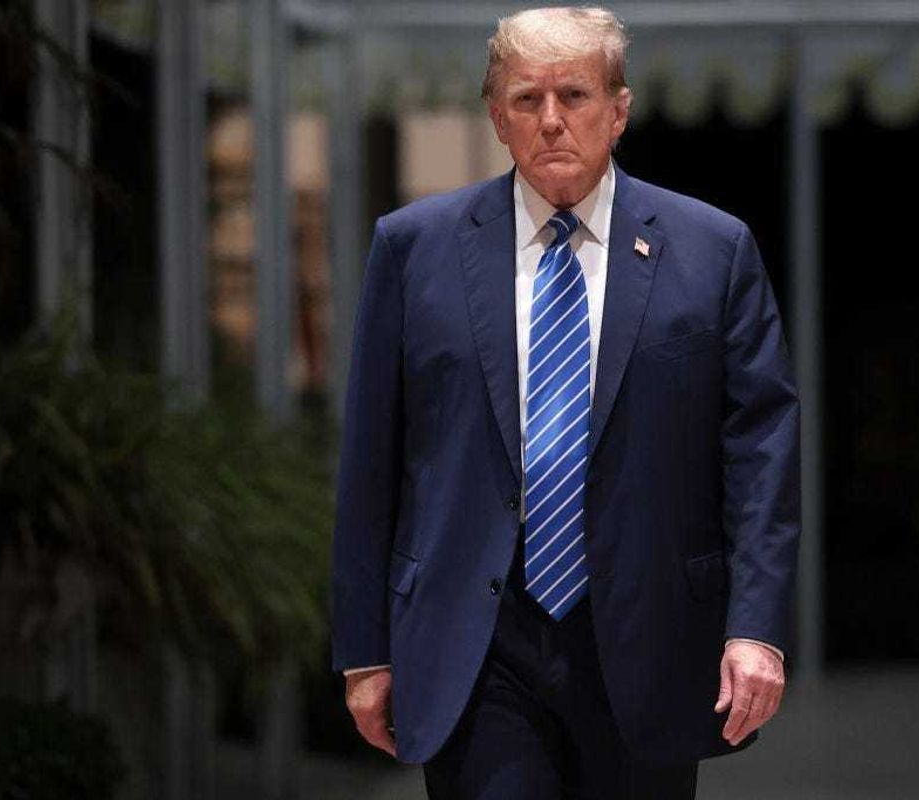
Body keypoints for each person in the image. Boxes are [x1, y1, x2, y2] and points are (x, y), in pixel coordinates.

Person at [332, 7, 800, 798]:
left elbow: (760, 454)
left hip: (648, 633)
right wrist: (364, 648)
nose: (551, 120)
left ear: (619, 111)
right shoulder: (415, 249)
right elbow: (372, 455)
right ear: (496, 116)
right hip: (477, 637)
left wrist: (755, 629)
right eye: (526, 99)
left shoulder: (712, 251)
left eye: (575, 96)